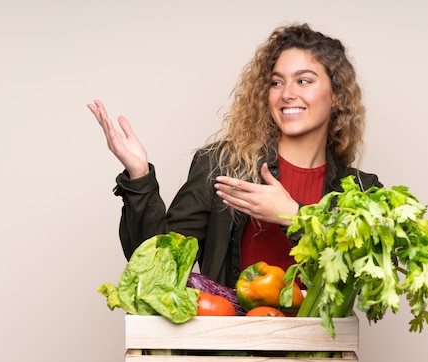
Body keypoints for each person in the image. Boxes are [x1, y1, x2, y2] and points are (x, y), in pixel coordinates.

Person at [88, 23, 382, 289]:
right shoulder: (222, 166)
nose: (287, 94)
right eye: (276, 82)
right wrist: (140, 178)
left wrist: (295, 216)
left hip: (316, 350)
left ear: (337, 96)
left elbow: (376, 274)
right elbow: (155, 270)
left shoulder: (360, 191)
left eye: (303, 81)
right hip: (229, 348)